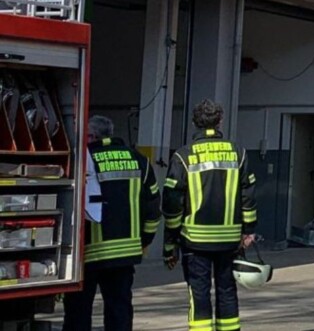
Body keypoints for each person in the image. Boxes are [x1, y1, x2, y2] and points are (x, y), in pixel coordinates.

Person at [163, 100, 257, 331]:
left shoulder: (183, 156)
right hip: (230, 239)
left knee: (198, 292)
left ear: (195, 122)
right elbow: (248, 195)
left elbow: (173, 203)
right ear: (220, 121)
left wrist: (171, 241)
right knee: (227, 290)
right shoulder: (238, 153)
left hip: (195, 241)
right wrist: (249, 230)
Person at [63, 115, 159, 331]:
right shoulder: (139, 160)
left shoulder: (83, 160)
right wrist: (144, 240)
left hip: (87, 254)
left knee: (78, 311)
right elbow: (153, 207)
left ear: (91, 136)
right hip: (125, 255)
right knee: (119, 311)